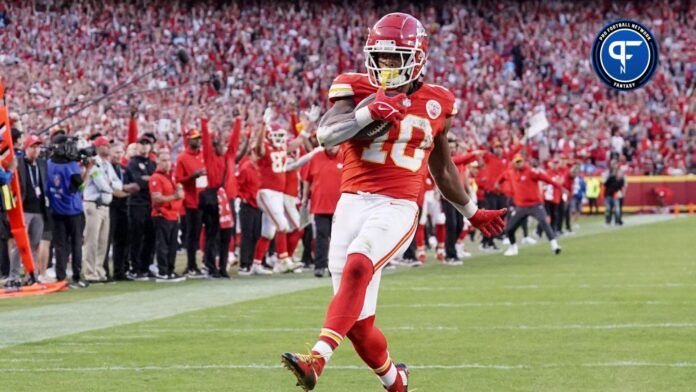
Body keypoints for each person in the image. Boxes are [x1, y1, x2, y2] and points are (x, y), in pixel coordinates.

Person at [281, 13, 506, 392]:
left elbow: (444, 169)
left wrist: (473, 212)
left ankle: (317, 359)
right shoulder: (353, 86)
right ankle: (397, 383)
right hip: (350, 204)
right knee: (358, 324)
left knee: (358, 265)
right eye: (380, 57)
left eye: (395, 57)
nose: (386, 65)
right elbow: (326, 135)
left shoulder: (438, 102)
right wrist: (369, 110)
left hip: (398, 205)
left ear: (417, 57)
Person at [45, 135, 91, 288]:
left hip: (55, 209)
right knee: (76, 244)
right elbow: (80, 186)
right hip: (73, 210)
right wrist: (88, 169)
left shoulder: (49, 163)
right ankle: (77, 277)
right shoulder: (71, 165)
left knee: (60, 245)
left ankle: (61, 276)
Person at [200, 116, 240, 279]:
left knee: (226, 236)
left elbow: (235, 141)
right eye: (218, 144)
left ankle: (223, 267)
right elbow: (205, 142)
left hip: (228, 201)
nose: (223, 147)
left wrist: (238, 121)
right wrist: (204, 123)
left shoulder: (229, 157)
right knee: (212, 235)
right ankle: (211, 267)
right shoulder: (210, 158)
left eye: (224, 144)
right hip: (213, 202)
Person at [502, 155, 564, 256]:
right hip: (521, 206)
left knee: (544, 222)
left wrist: (558, 186)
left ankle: (555, 245)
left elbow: (545, 178)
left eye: (520, 161)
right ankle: (513, 247)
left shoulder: (531, 172)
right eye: (517, 162)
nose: (519, 164)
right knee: (509, 228)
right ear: (514, 163)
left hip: (535, 204)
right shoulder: (511, 173)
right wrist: (496, 184)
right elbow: (502, 176)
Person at [7, 135, 47, 288]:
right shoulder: (19, 163)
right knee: (20, 245)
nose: (36, 150)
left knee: (34, 244)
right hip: (24, 209)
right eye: (33, 147)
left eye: (38, 147)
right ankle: (14, 276)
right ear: (26, 148)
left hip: (39, 210)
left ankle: (32, 275)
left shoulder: (41, 165)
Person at [82, 136, 122, 283]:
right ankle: (90, 272)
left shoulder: (107, 164)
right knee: (91, 241)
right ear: (98, 147)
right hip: (93, 204)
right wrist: (111, 185)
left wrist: (111, 185)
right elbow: (102, 185)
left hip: (105, 206)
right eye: (105, 145)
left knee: (103, 241)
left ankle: (99, 271)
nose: (108, 148)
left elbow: (119, 183)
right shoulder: (94, 163)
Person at [302, 146, 343, 278]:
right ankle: (320, 266)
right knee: (321, 237)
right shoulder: (316, 157)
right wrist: (304, 196)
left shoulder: (346, 156)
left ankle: (335, 267)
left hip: (341, 206)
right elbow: (307, 179)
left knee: (338, 239)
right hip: (320, 205)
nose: (332, 147)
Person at [149, 151, 185, 282]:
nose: (167, 163)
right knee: (163, 245)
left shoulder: (170, 177)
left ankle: (170, 270)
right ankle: (163, 272)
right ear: (157, 162)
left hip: (173, 215)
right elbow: (157, 199)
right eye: (163, 160)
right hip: (161, 214)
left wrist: (179, 192)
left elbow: (179, 190)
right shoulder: (156, 178)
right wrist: (175, 196)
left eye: (168, 160)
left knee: (172, 245)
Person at [175, 128, 206, 278]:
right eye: (195, 138)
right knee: (192, 235)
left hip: (205, 200)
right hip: (191, 202)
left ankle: (205, 263)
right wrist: (191, 177)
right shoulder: (182, 157)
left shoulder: (203, 156)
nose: (198, 140)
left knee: (206, 233)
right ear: (188, 140)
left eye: (199, 138)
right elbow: (178, 179)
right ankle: (191, 265)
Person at [124, 136, 156, 280]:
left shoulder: (152, 163)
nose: (144, 146)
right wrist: (151, 180)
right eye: (142, 144)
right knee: (136, 236)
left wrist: (149, 180)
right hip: (136, 204)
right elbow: (138, 183)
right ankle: (134, 268)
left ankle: (145, 266)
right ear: (137, 146)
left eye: (147, 144)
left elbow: (155, 181)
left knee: (150, 236)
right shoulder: (132, 163)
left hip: (150, 203)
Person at [106, 142, 136, 281]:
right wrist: (125, 190)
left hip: (123, 208)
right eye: (115, 152)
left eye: (120, 152)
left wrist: (123, 190)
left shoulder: (124, 169)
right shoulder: (105, 168)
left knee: (122, 241)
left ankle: (120, 271)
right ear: (110, 153)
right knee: (106, 241)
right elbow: (112, 190)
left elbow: (135, 186)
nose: (118, 155)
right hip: (109, 207)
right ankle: (104, 271)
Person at [236, 150, 263, 276]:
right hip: (248, 205)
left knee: (256, 234)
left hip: (258, 204)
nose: (258, 156)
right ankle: (244, 264)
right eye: (256, 153)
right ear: (251, 153)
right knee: (247, 235)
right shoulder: (246, 168)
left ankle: (251, 261)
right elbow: (237, 185)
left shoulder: (259, 168)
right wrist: (243, 197)